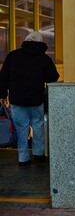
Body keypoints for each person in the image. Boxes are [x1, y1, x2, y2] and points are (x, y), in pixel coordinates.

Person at [0, 31, 59, 167]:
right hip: (36, 99)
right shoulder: (44, 58)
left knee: (21, 128)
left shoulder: (13, 56)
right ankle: (39, 155)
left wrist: (2, 95)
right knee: (38, 125)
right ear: (40, 42)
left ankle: (23, 158)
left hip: (17, 100)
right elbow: (53, 77)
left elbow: (3, 77)